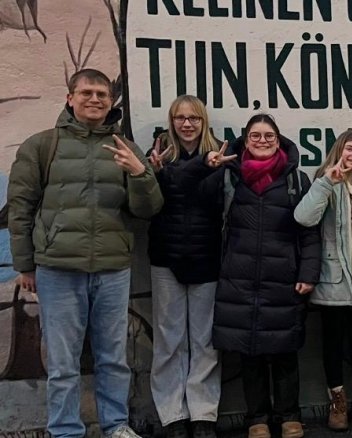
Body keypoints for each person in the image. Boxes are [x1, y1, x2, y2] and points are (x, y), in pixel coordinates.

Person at [7, 69, 163, 438]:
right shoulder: (42, 146)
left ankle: (115, 425)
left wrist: (140, 175)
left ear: (111, 102)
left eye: (102, 94)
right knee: (63, 362)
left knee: (113, 358)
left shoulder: (125, 148)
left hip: (112, 269)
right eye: (87, 93)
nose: (95, 99)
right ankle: (65, 430)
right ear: (70, 98)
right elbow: (20, 207)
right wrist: (25, 264)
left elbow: (149, 209)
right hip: (58, 269)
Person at [188, 114, 320, 438]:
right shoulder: (230, 176)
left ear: (279, 140)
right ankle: (257, 418)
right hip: (240, 278)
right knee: (250, 353)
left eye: (269, 135)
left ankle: (289, 415)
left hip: (283, 277)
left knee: (285, 349)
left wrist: (308, 272)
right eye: (255, 136)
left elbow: (310, 233)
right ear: (245, 141)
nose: (262, 141)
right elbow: (200, 200)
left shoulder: (296, 180)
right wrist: (208, 168)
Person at [293, 131, 352, 431]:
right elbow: (303, 217)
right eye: (350, 149)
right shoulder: (327, 183)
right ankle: (337, 403)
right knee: (333, 344)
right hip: (334, 282)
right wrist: (326, 182)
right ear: (339, 151)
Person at [146, 95, 222, 438]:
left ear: (203, 121)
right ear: (172, 122)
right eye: (180, 118)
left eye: (194, 118)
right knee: (169, 340)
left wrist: (210, 165)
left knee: (205, 341)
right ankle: (172, 414)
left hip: (207, 256)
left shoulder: (219, 155)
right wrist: (154, 173)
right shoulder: (158, 155)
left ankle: (203, 413)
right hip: (166, 258)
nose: (187, 124)